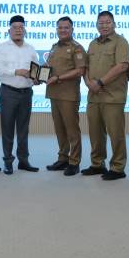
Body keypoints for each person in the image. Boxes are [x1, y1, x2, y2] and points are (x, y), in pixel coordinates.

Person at [82, 11, 129, 180]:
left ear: (114, 24)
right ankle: (97, 164)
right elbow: (86, 67)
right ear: (97, 25)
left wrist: (100, 82)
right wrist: (88, 82)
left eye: (107, 22)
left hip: (112, 97)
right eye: (101, 23)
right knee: (95, 133)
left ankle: (118, 167)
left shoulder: (120, 42)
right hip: (93, 96)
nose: (104, 25)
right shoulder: (93, 43)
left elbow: (122, 66)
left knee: (116, 134)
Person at [0, 15, 40, 175]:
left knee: (23, 128)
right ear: (9, 30)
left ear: (24, 30)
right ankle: (8, 161)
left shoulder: (30, 49)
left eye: (21, 27)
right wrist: (16, 71)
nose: (18, 30)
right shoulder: (1, 48)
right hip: (8, 92)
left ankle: (23, 161)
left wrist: (36, 79)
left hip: (26, 93)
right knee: (7, 128)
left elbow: (35, 70)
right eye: (15, 27)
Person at [45, 16, 87, 176]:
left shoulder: (77, 48)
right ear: (57, 29)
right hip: (54, 94)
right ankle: (63, 158)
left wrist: (58, 78)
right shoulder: (54, 47)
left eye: (66, 27)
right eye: (60, 27)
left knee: (72, 130)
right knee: (59, 129)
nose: (63, 30)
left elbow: (80, 70)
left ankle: (74, 162)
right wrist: (38, 75)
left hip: (69, 95)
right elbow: (49, 68)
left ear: (72, 29)